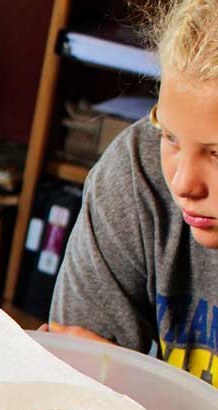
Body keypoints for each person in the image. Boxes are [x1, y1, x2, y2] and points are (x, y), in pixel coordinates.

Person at [50, 0, 218, 386]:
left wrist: (134, 387)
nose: (183, 184)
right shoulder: (138, 168)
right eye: (171, 137)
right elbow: (70, 392)